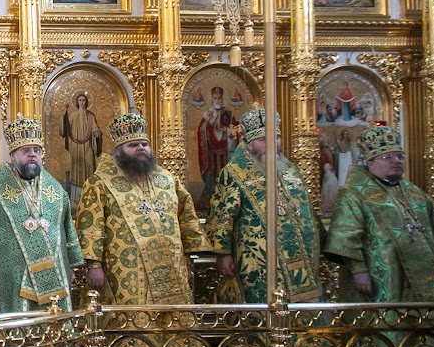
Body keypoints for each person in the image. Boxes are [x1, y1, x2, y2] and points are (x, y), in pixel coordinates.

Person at [75, 113, 205, 304]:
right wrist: (94, 265)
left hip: (171, 263)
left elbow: (186, 215)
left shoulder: (167, 179)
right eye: (133, 145)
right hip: (126, 269)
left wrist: (191, 252)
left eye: (144, 144)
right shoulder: (100, 182)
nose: (141, 148)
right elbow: (90, 226)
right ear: (119, 150)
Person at [0, 117, 82, 313]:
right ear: (13, 155)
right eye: (26, 151)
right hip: (11, 269)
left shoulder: (55, 189)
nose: (32, 155)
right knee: (17, 317)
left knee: (53, 319)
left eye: (37, 151)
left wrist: (70, 265)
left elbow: (66, 228)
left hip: (55, 269)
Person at [204, 109, 323, 304]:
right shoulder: (234, 172)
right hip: (258, 261)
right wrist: (222, 254)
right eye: (264, 140)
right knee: (263, 304)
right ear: (249, 144)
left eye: (276, 138)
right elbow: (222, 215)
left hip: (300, 254)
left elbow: (308, 210)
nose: (273, 145)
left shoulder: (290, 170)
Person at [325, 126, 434, 302]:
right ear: (369, 162)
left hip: (423, 272)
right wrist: (359, 271)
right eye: (387, 157)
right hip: (381, 273)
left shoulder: (415, 194)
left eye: (400, 156)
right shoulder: (352, 194)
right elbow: (345, 236)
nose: (396, 161)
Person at [196, 85, 237, 209]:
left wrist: (228, 130)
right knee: (212, 173)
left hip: (225, 150)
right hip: (211, 152)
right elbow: (201, 131)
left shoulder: (228, 114)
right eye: (215, 98)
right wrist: (209, 125)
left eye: (219, 98)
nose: (217, 101)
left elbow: (235, 130)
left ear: (222, 99)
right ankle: (211, 196)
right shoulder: (208, 114)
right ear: (211, 99)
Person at [60, 91, 102, 201]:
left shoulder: (90, 116)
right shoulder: (73, 116)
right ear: (77, 102)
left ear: (86, 102)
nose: (82, 102)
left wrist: (96, 132)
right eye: (80, 100)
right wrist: (64, 115)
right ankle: (75, 198)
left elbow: (95, 128)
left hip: (88, 146)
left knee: (89, 164)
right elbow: (65, 130)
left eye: (83, 100)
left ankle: (90, 196)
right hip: (76, 147)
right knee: (77, 168)